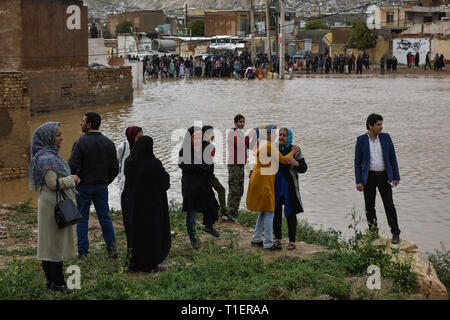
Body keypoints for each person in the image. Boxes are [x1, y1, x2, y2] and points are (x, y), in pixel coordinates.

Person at [29, 122, 80, 293]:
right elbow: (52, 184)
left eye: (61, 134)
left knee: (51, 243)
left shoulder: (46, 155)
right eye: (58, 135)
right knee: (54, 244)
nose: (62, 138)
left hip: (51, 203)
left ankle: (52, 281)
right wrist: (72, 179)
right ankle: (57, 283)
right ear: (48, 137)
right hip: (53, 205)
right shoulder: (47, 158)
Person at [69, 112, 119, 259]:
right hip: (101, 186)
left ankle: (83, 252)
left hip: (83, 186)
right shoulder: (108, 143)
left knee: (82, 218)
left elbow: (72, 166)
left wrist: (76, 180)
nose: (81, 123)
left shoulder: (80, 142)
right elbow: (115, 168)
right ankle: (112, 250)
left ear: (89, 124)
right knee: (105, 217)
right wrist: (105, 181)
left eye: (83, 121)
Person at [121, 136, 171, 273]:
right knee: (151, 234)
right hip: (151, 208)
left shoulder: (129, 162)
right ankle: (149, 265)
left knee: (135, 234)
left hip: (132, 206)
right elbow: (165, 183)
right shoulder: (154, 164)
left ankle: (134, 263)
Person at [246, 124, 300, 250]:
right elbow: (285, 160)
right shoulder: (270, 146)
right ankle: (269, 243)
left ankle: (256, 238)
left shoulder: (261, 144)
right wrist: (293, 151)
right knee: (270, 211)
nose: (277, 135)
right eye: (274, 133)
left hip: (257, 178)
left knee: (264, 211)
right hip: (264, 181)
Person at [354, 114, 401, 244]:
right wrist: (358, 181)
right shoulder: (361, 140)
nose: (381, 127)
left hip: (384, 176)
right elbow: (357, 162)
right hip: (368, 177)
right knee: (369, 206)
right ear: (370, 125)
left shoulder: (386, 137)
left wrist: (396, 176)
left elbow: (392, 157)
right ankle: (373, 232)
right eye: (378, 125)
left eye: (381, 124)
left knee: (389, 204)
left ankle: (395, 233)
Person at [178, 126, 220, 249]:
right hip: (190, 185)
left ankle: (208, 226)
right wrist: (201, 166)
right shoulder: (184, 151)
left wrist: (199, 167)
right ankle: (193, 238)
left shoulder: (204, 148)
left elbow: (209, 166)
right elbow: (187, 167)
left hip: (203, 183)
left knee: (211, 205)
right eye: (194, 137)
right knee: (191, 212)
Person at [273, 128, 307, 250]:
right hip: (276, 185)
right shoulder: (274, 149)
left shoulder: (295, 151)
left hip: (290, 186)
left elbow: (304, 168)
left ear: (289, 138)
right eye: (280, 135)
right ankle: (277, 239)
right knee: (276, 212)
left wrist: (295, 163)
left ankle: (292, 241)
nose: (281, 137)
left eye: (284, 136)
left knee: (291, 213)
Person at [202, 125, 229, 221]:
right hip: (208, 176)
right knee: (221, 190)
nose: (213, 135)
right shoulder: (208, 146)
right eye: (211, 133)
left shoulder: (201, 145)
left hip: (206, 175)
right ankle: (223, 213)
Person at [227, 115, 250, 219]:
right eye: (240, 122)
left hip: (240, 164)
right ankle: (229, 212)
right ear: (235, 123)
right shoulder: (233, 133)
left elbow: (249, 145)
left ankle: (234, 211)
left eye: (243, 122)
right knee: (234, 189)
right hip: (234, 164)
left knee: (240, 189)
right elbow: (240, 144)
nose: (242, 124)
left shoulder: (241, 133)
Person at [117, 126, 143, 199]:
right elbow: (115, 164)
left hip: (139, 184)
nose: (140, 140)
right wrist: (119, 178)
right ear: (131, 137)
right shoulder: (123, 147)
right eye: (138, 137)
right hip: (125, 184)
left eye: (142, 137)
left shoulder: (143, 146)